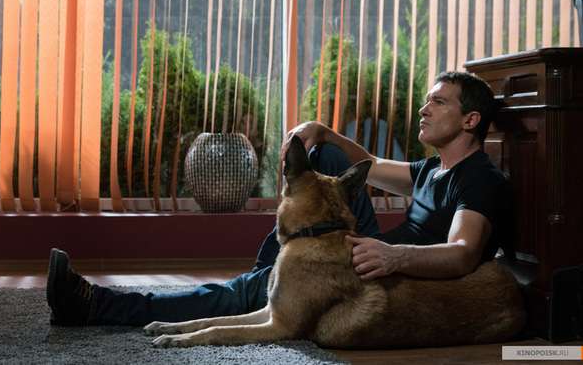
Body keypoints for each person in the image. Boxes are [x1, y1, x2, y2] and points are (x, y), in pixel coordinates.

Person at [47, 71, 514, 327]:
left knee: (244, 294)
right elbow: (368, 163)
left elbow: (463, 253)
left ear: (471, 120)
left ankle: (95, 306)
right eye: (426, 100)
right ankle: (270, 272)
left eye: (439, 103)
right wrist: (322, 131)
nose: (423, 109)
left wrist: (394, 256)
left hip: (388, 270)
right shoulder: (434, 168)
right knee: (325, 156)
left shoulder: (478, 179)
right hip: (371, 252)